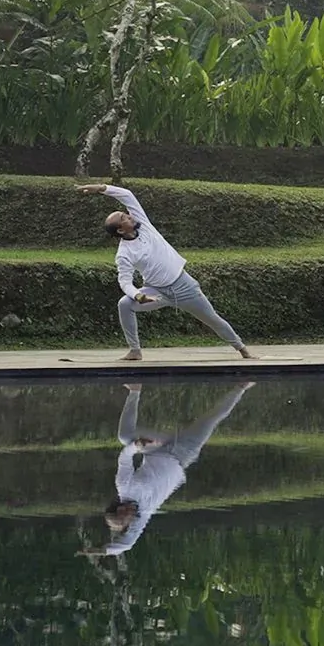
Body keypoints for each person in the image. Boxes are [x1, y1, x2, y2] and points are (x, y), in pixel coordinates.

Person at [76, 183, 255, 361]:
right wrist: (139, 296)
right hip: (156, 291)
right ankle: (135, 351)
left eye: (126, 214)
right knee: (124, 304)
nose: (129, 216)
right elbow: (124, 281)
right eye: (124, 218)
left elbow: (127, 196)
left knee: (212, 318)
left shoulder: (144, 225)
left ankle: (242, 349)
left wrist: (101, 188)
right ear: (121, 230)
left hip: (183, 286)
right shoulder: (124, 254)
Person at [89, 382, 254, 557]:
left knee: (124, 437)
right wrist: (103, 551)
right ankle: (241, 386)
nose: (130, 520)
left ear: (120, 509)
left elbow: (124, 459)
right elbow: (127, 543)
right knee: (212, 419)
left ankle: (135, 390)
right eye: (127, 523)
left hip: (156, 448)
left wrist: (136, 446)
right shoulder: (144, 512)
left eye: (125, 519)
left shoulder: (124, 486)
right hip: (183, 453)